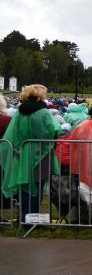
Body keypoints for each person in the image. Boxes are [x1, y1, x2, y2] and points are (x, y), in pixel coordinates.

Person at [1, 85, 61, 222]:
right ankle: (31, 220)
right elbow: (51, 131)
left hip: (22, 154)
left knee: (24, 186)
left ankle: (24, 217)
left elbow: (12, 133)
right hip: (42, 154)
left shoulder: (19, 112)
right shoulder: (44, 112)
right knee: (37, 187)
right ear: (40, 95)